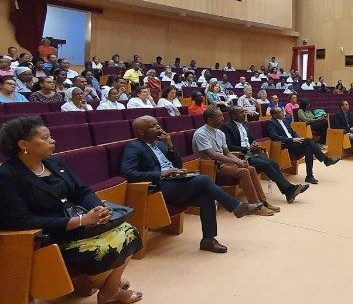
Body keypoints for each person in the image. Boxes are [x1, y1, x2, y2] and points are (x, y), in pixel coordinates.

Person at [0, 117, 143, 303]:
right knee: (103, 248)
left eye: (50, 136)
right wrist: (80, 221)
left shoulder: (55, 162)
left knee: (129, 231)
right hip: (48, 238)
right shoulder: (7, 175)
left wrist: (98, 208)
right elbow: (20, 221)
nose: (53, 141)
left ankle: (110, 288)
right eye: (45, 138)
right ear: (23, 144)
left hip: (80, 226)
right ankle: (110, 288)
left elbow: (82, 191)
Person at [121, 116, 261, 253]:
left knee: (206, 197)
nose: (158, 127)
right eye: (152, 126)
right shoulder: (134, 147)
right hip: (159, 186)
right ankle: (237, 207)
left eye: (157, 124)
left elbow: (178, 164)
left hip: (175, 181)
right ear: (141, 132)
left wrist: (170, 146)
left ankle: (208, 240)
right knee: (204, 179)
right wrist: (160, 174)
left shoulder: (160, 144)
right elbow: (128, 173)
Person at [192, 107, 276, 216]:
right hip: (210, 165)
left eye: (222, 116)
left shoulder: (220, 133)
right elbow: (212, 155)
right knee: (244, 172)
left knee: (251, 168)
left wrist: (239, 161)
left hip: (223, 163)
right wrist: (236, 162)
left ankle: (263, 202)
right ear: (209, 120)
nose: (223, 119)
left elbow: (227, 152)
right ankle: (255, 205)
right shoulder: (201, 133)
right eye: (219, 117)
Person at [220, 107, 309, 203]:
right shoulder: (226, 127)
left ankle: (288, 191)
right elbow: (229, 146)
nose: (244, 114)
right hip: (240, 156)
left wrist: (254, 144)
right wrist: (246, 149)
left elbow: (250, 139)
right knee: (266, 165)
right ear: (233, 116)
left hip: (252, 152)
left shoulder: (245, 124)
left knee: (274, 163)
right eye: (241, 113)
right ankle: (290, 189)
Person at [265, 107, 339, 184]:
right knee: (308, 141)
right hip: (285, 145)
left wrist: (298, 138)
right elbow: (274, 137)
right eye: (280, 112)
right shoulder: (271, 123)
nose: (283, 113)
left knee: (308, 149)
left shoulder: (285, 121)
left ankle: (309, 176)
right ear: (274, 115)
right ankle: (326, 160)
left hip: (294, 144)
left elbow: (293, 132)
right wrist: (292, 140)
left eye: (282, 111)